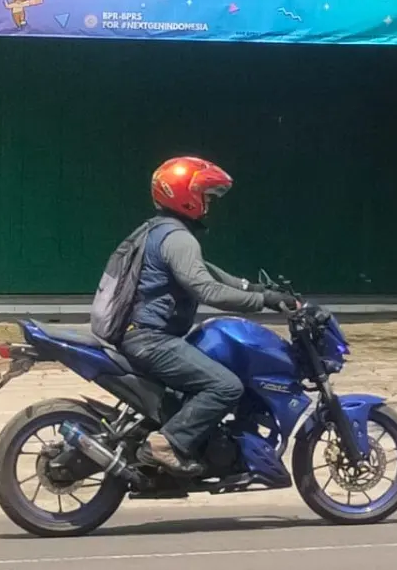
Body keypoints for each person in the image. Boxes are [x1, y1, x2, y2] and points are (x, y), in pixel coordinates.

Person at [120, 156, 297, 476]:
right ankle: (167, 444)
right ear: (183, 194)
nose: (208, 203)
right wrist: (262, 301)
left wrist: (258, 289)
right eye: (205, 195)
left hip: (144, 335)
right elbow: (208, 290)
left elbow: (212, 275)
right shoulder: (178, 238)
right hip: (151, 339)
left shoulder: (160, 231)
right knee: (226, 386)